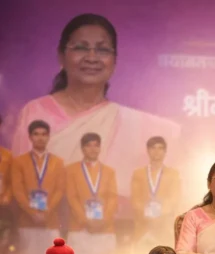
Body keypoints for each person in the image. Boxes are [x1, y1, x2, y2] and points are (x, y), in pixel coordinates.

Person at [11, 13, 180, 197]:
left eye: (103, 50)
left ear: (114, 61)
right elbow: (19, 180)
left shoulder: (132, 124)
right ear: (61, 56)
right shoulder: (35, 111)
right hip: (41, 213)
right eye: (80, 48)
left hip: (111, 215)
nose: (92, 57)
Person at [10, 120, 66, 254]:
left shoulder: (58, 162)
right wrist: (32, 212)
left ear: (48, 137)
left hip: (51, 222)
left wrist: (47, 212)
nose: (40, 138)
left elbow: (60, 190)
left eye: (43, 134)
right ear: (30, 137)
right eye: (36, 134)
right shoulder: (19, 162)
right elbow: (18, 190)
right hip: (27, 222)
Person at [65, 132, 118, 254]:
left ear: (100, 148)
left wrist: (103, 220)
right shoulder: (71, 170)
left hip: (105, 229)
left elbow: (112, 197)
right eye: (89, 145)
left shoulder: (109, 171)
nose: (93, 149)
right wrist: (85, 220)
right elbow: (72, 197)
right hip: (79, 228)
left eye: (96, 145)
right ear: (82, 148)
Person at [130, 136, 182, 251]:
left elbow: (174, 200)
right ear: (148, 150)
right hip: (143, 229)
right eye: (153, 148)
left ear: (165, 152)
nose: (156, 151)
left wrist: (159, 216)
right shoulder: (138, 173)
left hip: (164, 229)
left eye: (160, 148)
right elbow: (135, 200)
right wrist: (147, 216)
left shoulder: (173, 174)